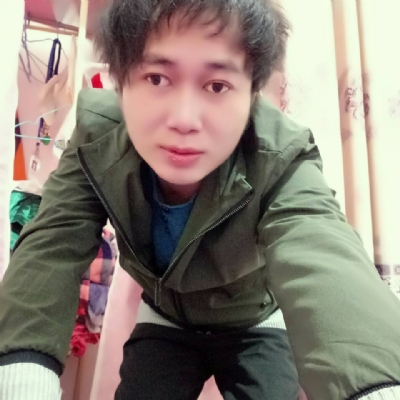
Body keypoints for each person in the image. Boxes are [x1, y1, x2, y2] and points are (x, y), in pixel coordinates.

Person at [1, 0, 400, 399]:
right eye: (157, 78)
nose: (184, 119)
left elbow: (322, 252)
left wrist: (375, 388)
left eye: (217, 86)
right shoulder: (98, 137)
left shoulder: (280, 153)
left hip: (254, 318)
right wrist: (22, 374)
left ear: (251, 94)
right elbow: (53, 244)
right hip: (166, 316)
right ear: (121, 82)